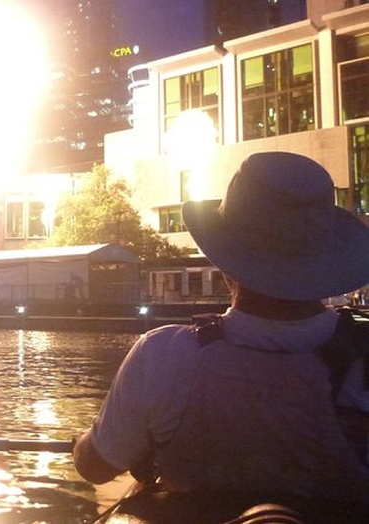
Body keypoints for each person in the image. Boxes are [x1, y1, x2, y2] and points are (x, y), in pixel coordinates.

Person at [72, 152, 369, 518]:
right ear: (328, 262)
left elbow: (96, 467)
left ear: (226, 264)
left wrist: (85, 443)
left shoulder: (162, 355)